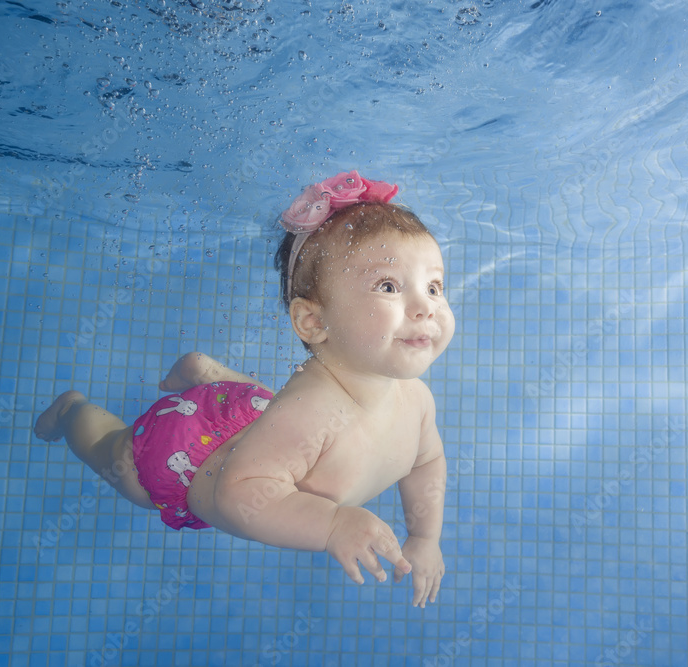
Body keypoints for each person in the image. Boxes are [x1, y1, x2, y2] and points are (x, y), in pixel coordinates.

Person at [34, 171, 456, 607]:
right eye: (388, 286)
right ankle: (72, 411)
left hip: (254, 417)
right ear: (313, 322)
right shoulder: (309, 411)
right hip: (182, 459)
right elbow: (235, 495)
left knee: (268, 413)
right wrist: (331, 525)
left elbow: (427, 461)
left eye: (434, 286)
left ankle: (208, 373)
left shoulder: (416, 400)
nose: (427, 306)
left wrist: (424, 536)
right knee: (113, 454)